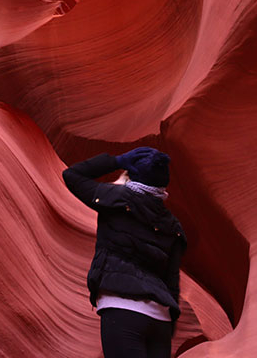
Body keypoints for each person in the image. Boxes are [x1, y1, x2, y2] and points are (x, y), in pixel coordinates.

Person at [63, 147, 187, 358]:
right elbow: (172, 279)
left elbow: (72, 175)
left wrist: (117, 161)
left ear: (131, 174)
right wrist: (169, 321)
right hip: (161, 318)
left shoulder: (115, 199)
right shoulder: (173, 225)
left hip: (122, 309)